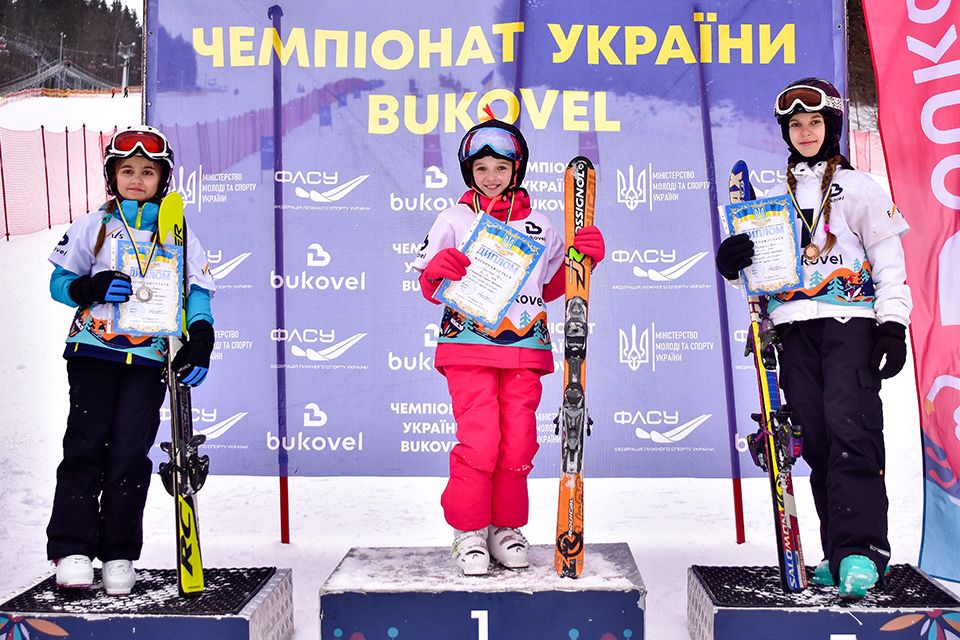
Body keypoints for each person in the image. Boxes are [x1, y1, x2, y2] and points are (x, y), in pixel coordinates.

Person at [715, 78, 912, 598]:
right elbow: (764, 278)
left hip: (850, 326)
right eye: (796, 125)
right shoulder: (776, 196)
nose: (805, 132)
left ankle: (865, 551)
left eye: (815, 123)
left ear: (832, 127)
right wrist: (734, 265)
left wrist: (893, 323)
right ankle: (837, 550)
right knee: (818, 443)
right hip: (794, 331)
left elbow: (889, 262)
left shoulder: (860, 187)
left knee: (853, 433)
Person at [412, 111, 605, 575]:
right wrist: (440, 268)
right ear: (469, 173)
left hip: (525, 348)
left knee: (518, 445)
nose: (491, 177)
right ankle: (469, 530)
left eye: (501, 168)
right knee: (480, 441)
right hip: (469, 346)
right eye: (481, 169)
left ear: (516, 169)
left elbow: (553, 286)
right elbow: (429, 284)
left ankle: (504, 527)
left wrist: (585, 261)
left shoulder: (541, 225)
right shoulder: (455, 218)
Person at [46, 125, 216, 595]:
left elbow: (197, 292)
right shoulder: (95, 224)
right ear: (111, 176)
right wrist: (87, 288)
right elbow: (60, 282)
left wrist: (201, 336)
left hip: (147, 362)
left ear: (163, 177)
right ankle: (73, 547)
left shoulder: (177, 231)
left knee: (129, 454)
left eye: (147, 171)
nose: (136, 179)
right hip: (93, 354)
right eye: (127, 171)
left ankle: (118, 552)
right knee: (85, 446)